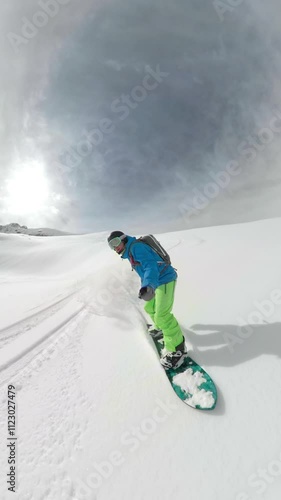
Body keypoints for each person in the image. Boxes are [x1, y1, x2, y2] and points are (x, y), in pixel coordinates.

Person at [107, 230, 187, 370]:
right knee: (149, 308)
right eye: (111, 246)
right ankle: (161, 329)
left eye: (115, 243)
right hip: (155, 281)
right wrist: (145, 286)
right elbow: (145, 270)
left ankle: (177, 351)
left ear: (123, 239)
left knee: (162, 315)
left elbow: (150, 266)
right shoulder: (131, 252)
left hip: (164, 280)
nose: (115, 247)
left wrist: (148, 285)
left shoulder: (136, 248)